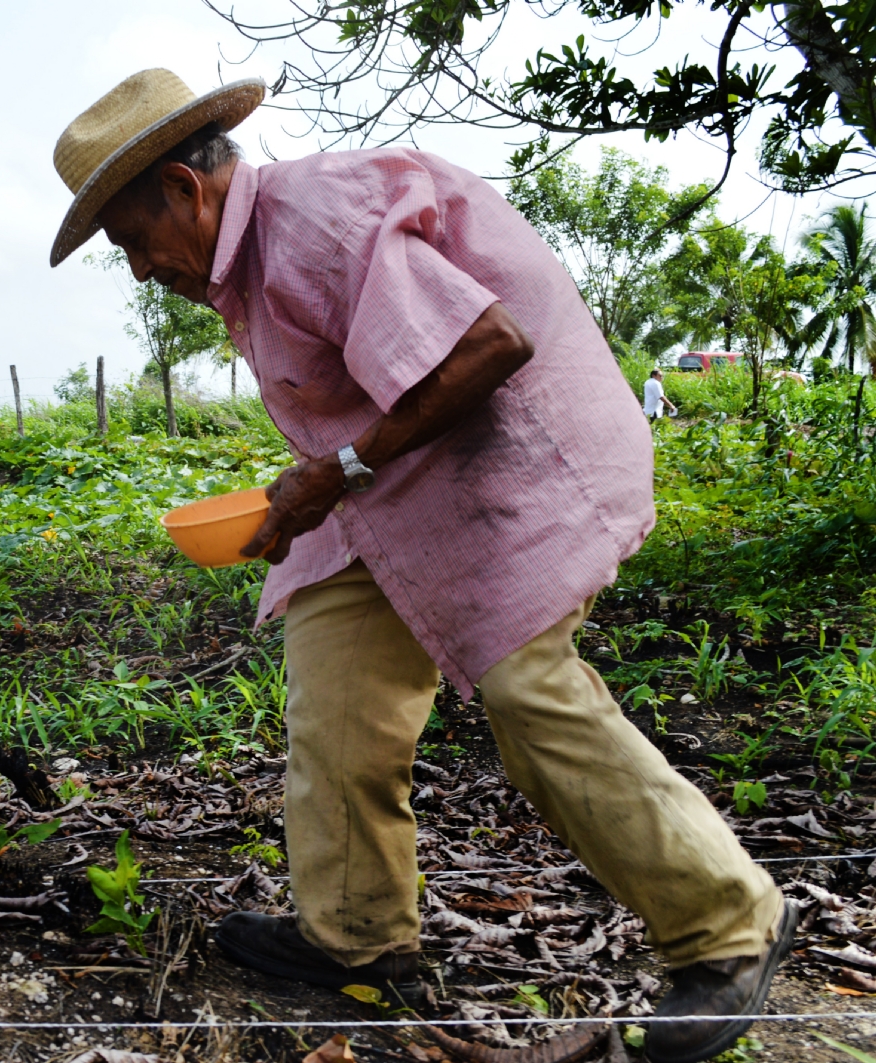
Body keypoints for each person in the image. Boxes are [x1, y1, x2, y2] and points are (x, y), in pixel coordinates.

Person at [48, 69, 794, 1063]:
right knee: (337, 686)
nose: (141, 270)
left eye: (134, 241)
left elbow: (488, 343)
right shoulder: (252, 261)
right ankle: (355, 932)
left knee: (530, 691)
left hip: (511, 459)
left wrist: (331, 473)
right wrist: (308, 493)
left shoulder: (313, 222)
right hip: (391, 492)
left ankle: (728, 926)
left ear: (186, 191)